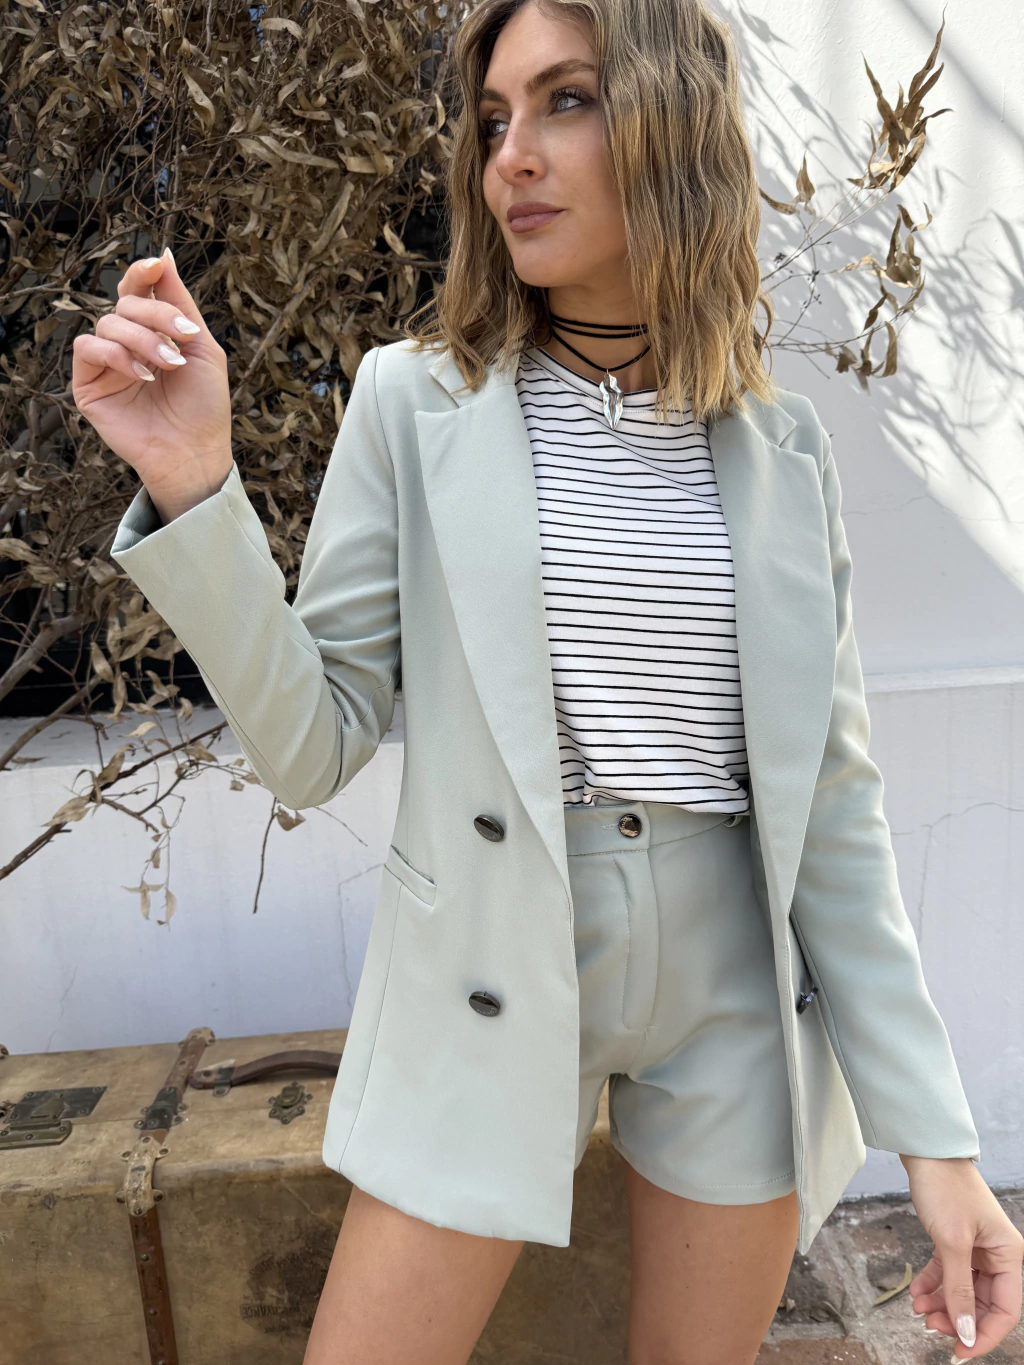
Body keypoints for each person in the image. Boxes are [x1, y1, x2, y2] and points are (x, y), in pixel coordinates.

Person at [72, 0, 1023, 1361]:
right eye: (492, 119)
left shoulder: (781, 448)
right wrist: (193, 486)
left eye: (565, 99)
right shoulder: (416, 402)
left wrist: (938, 1144)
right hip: (491, 952)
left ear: (674, 122)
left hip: (737, 993)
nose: (510, 152)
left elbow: (833, 809)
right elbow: (314, 744)